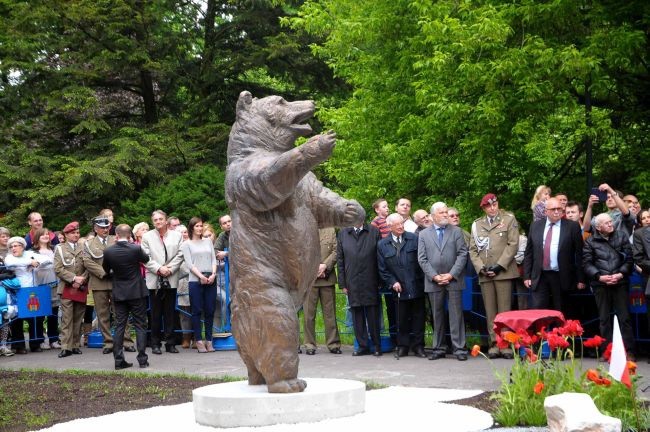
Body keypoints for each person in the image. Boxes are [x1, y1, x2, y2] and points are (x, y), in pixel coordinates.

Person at [469, 193, 519, 359]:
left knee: (504, 311)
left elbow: (513, 245)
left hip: (503, 272)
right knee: (490, 311)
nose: (492, 208)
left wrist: (499, 266)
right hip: (485, 273)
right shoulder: (477, 224)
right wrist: (480, 267)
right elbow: (473, 250)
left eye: (494, 204)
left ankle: (505, 344)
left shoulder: (509, 219)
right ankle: (494, 344)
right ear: (483, 208)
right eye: (488, 206)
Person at [418, 204, 468, 361]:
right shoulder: (424, 234)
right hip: (434, 281)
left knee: (456, 315)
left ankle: (459, 348)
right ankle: (439, 348)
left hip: (453, 280)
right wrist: (434, 276)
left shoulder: (457, 231)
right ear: (433, 216)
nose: (446, 215)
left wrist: (451, 274)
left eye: (446, 212)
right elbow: (422, 258)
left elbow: (462, 254)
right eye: (442, 213)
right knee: (436, 315)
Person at [583, 213, 635, 360]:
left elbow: (629, 259)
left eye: (611, 221)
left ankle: (629, 351)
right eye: (607, 223)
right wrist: (600, 277)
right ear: (598, 227)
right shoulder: (590, 241)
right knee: (604, 319)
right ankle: (606, 351)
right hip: (601, 284)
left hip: (620, 282)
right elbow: (587, 263)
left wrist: (620, 274)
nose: (611, 224)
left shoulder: (621, 236)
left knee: (624, 317)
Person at [83, 216, 136, 354]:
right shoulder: (89, 243)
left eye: (107, 227)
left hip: (117, 281)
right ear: (95, 228)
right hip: (99, 281)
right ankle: (108, 343)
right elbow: (87, 262)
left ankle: (126, 341)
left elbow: (126, 255)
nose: (105, 229)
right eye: (101, 227)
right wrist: (104, 272)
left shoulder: (116, 240)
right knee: (102, 315)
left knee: (121, 313)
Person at [523, 197, 585, 312]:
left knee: (561, 310)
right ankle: (540, 331)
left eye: (559, 209)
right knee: (538, 310)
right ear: (546, 211)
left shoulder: (572, 226)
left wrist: (580, 278)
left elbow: (580, 254)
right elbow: (529, 252)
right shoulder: (535, 226)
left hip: (562, 275)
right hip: (540, 275)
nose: (557, 212)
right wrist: (527, 276)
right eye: (553, 209)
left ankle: (563, 330)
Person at [102, 224, 151, 369]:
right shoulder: (135, 248)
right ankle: (142, 359)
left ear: (116, 235)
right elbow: (146, 259)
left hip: (119, 292)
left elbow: (106, 269)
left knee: (119, 326)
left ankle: (118, 360)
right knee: (140, 325)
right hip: (136, 291)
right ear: (130, 235)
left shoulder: (109, 251)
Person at [377, 213, 426, 358]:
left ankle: (418, 347)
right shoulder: (382, 245)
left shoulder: (414, 239)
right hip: (398, 289)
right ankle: (403, 346)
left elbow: (421, 261)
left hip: (416, 286)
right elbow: (382, 269)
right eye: (397, 224)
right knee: (401, 319)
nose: (400, 226)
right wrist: (392, 282)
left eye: (402, 223)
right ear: (389, 226)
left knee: (418, 318)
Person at [141, 210, 184, 355]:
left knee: (170, 312)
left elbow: (180, 254)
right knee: (155, 313)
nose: (158, 222)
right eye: (155, 220)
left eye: (160, 219)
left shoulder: (177, 236)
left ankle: (170, 343)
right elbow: (145, 257)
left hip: (171, 277)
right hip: (154, 279)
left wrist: (169, 269)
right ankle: (155, 343)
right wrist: (159, 269)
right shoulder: (147, 237)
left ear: (166, 220)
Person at [337, 222, 382, 356]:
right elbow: (340, 260)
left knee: (373, 314)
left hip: (371, 279)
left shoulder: (374, 231)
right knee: (357, 314)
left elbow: (380, 257)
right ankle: (362, 346)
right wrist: (343, 283)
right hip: (352, 280)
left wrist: (380, 280)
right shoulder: (343, 233)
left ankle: (376, 345)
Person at [5, 236, 53, 353]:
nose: (13, 248)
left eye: (16, 246)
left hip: (32, 291)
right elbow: (10, 264)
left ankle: (35, 344)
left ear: (22, 247)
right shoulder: (9, 257)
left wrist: (37, 264)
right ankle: (19, 346)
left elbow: (48, 261)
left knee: (35, 317)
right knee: (16, 319)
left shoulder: (30, 254)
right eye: (11, 246)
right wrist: (29, 262)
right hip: (16, 292)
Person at [303, 228, 342, 355]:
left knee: (330, 314)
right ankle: (309, 345)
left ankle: (333, 344)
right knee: (309, 315)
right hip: (309, 280)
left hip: (327, 278)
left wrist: (325, 265)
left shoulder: (330, 230)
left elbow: (336, 251)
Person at [181, 217, 217, 353]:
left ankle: (209, 340)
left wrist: (213, 274)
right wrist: (201, 276)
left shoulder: (208, 241)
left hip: (211, 278)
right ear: (191, 228)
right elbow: (189, 264)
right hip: (196, 280)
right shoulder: (186, 244)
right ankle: (198, 340)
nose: (200, 228)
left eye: (201, 226)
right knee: (196, 311)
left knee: (210, 310)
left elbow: (213, 259)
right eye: (197, 226)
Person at [54, 222, 88, 358]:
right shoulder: (60, 249)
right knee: (67, 318)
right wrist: (74, 278)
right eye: (73, 233)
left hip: (81, 287)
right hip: (67, 287)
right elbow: (58, 268)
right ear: (66, 235)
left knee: (78, 317)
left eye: (78, 233)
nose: (76, 235)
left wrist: (82, 279)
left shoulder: (84, 247)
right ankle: (65, 347)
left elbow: (89, 266)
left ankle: (75, 345)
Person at [32, 227, 61, 350]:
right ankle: (40, 340)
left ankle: (54, 339)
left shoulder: (54, 249)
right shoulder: (32, 252)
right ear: (37, 237)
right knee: (40, 315)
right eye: (42, 235)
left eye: (47, 234)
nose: (45, 236)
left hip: (54, 285)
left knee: (53, 314)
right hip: (39, 287)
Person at [632, 210, 650, 362]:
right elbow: (638, 258)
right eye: (643, 218)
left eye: (649, 216)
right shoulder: (639, 234)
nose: (647, 220)